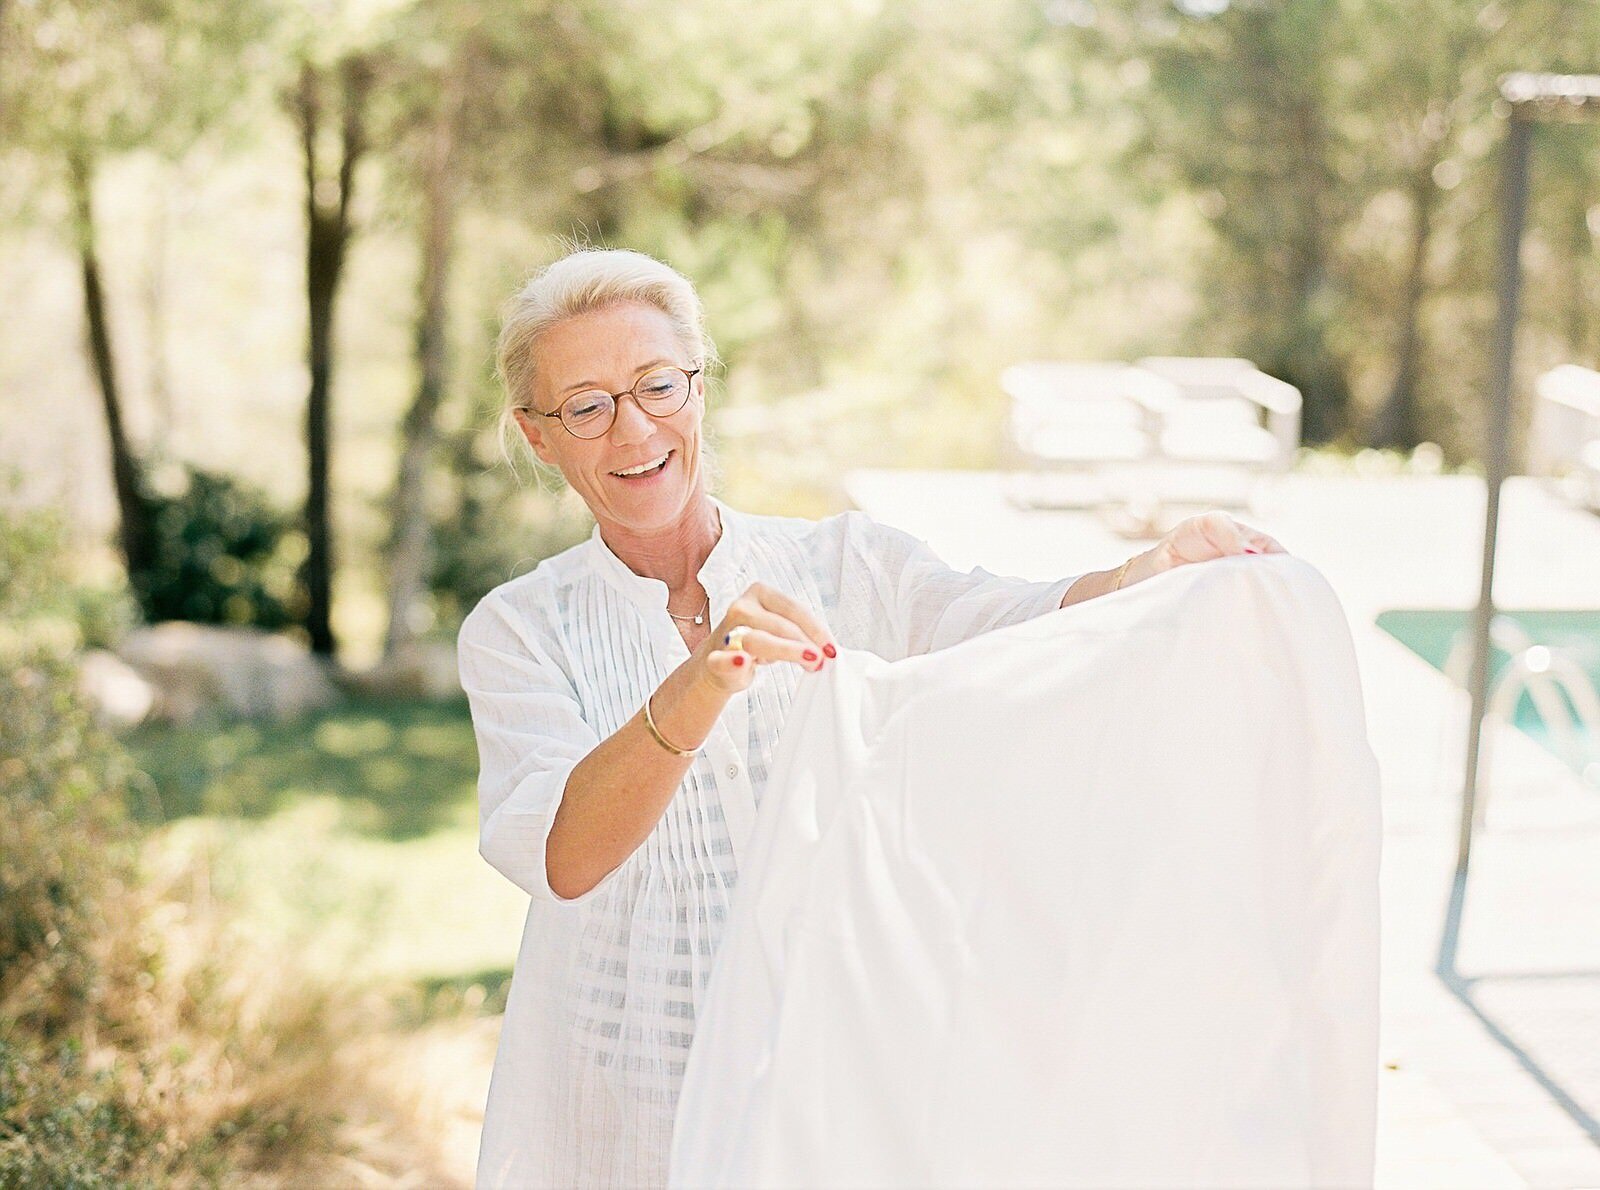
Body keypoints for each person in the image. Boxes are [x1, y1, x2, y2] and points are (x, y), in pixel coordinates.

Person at [459, 247, 1287, 1188]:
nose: (632, 427)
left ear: (700, 388)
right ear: (539, 436)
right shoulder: (519, 630)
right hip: (631, 1106)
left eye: (657, 385)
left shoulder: (846, 566)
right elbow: (566, 855)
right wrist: (701, 681)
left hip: (834, 1078)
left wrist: (1147, 572)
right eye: (587, 406)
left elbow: (1009, 621)